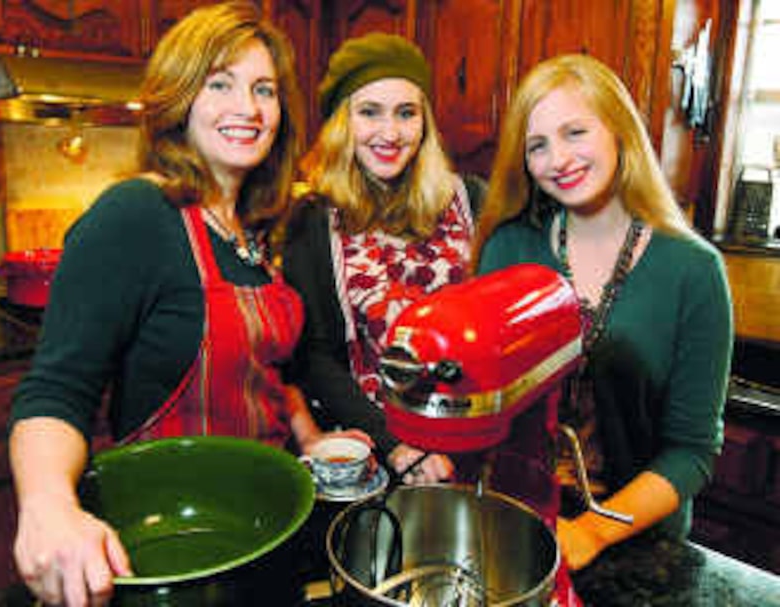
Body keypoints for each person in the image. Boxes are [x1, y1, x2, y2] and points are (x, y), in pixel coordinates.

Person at [8, 4, 370, 605]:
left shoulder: (258, 230)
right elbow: (55, 390)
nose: (248, 109)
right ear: (179, 98)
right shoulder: (136, 216)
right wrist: (46, 502)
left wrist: (312, 443)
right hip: (174, 550)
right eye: (220, 84)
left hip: (265, 537)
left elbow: (268, 371)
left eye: (265, 90)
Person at [474, 53, 733, 573]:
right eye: (537, 146)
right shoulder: (507, 248)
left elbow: (692, 452)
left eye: (575, 132)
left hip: (636, 545)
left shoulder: (694, 271)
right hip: (516, 522)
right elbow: (481, 399)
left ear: (618, 130)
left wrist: (593, 530)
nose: (558, 159)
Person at [284, 33, 486, 484]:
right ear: (342, 122)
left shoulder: (470, 199)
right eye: (369, 112)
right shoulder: (313, 219)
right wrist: (395, 445)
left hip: (472, 442)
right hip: (373, 450)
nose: (390, 133)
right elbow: (315, 358)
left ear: (425, 123)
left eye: (406, 113)